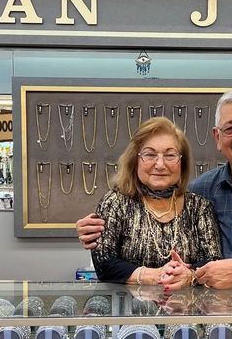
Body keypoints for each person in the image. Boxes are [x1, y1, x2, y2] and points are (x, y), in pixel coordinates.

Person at [77, 88, 232, 288]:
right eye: (230, 128)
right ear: (217, 138)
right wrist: (93, 231)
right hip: (206, 321)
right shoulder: (202, 189)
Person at [91, 116, 221, 288]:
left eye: (170, 155)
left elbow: (213, 261)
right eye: (150, 154)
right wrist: (155, 275)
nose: (160, 164)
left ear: (182, 163)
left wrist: (189, 275)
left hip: (186, 304)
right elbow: (104, 263)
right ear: (135, 160)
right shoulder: (115, 203)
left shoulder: (199, 207)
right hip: (127, 304)